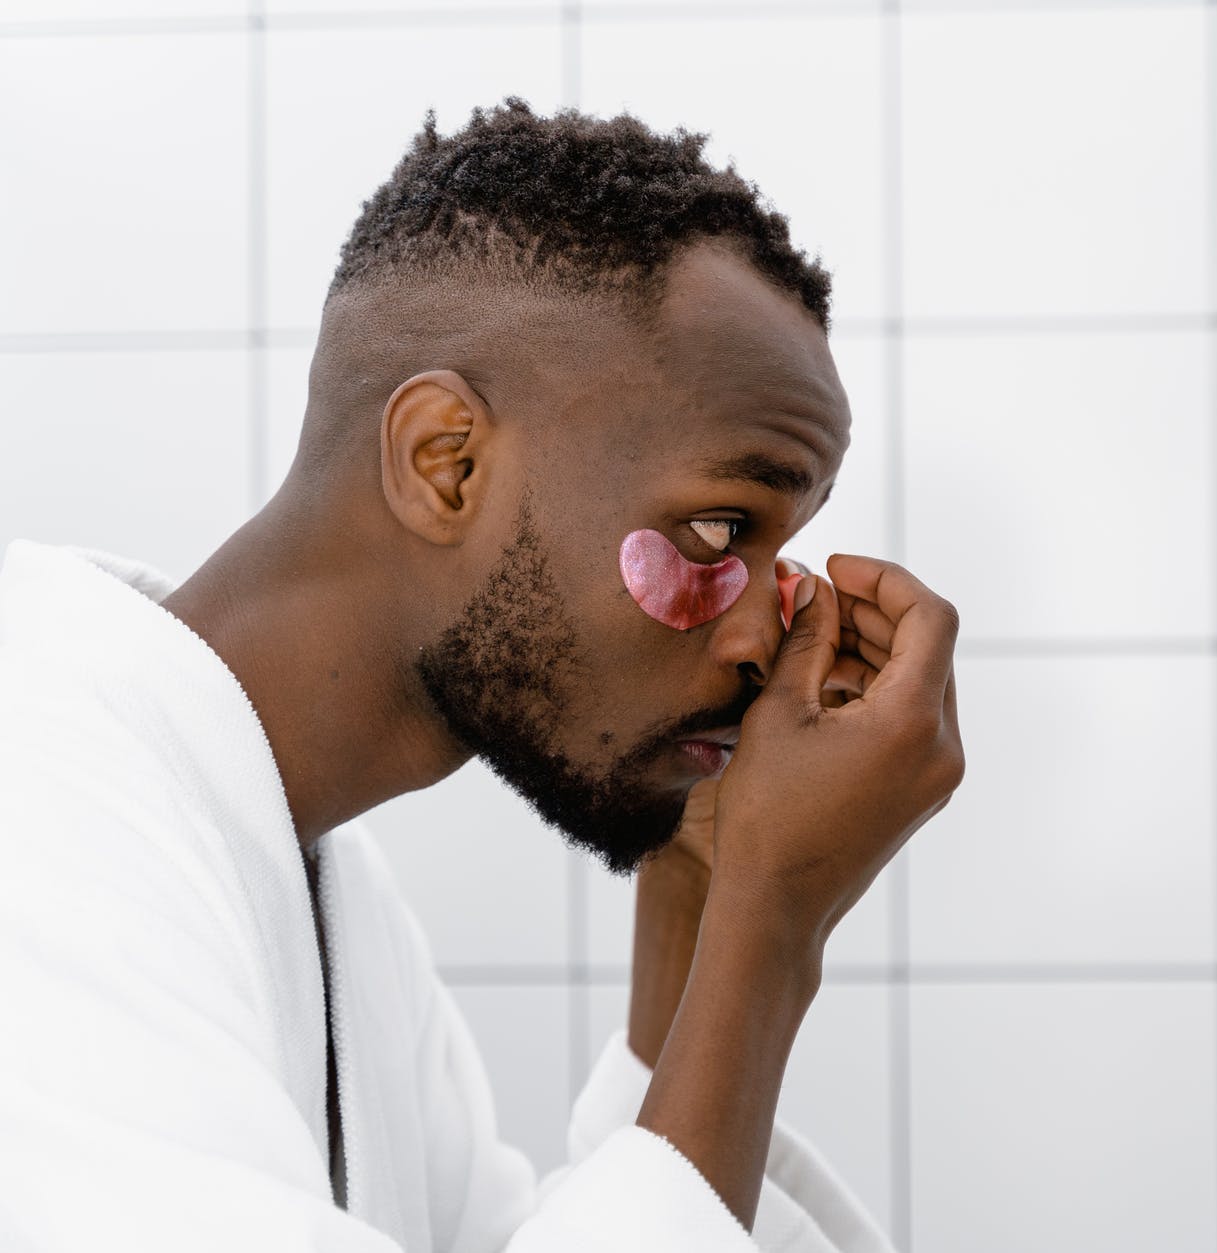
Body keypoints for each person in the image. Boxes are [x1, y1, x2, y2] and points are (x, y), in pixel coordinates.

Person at [0, 98, 964, 1252]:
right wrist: (771, 931)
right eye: (717, 530)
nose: (768, 631)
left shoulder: (336, 899)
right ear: (445, 464)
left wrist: (701, 899)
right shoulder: (40, 797)